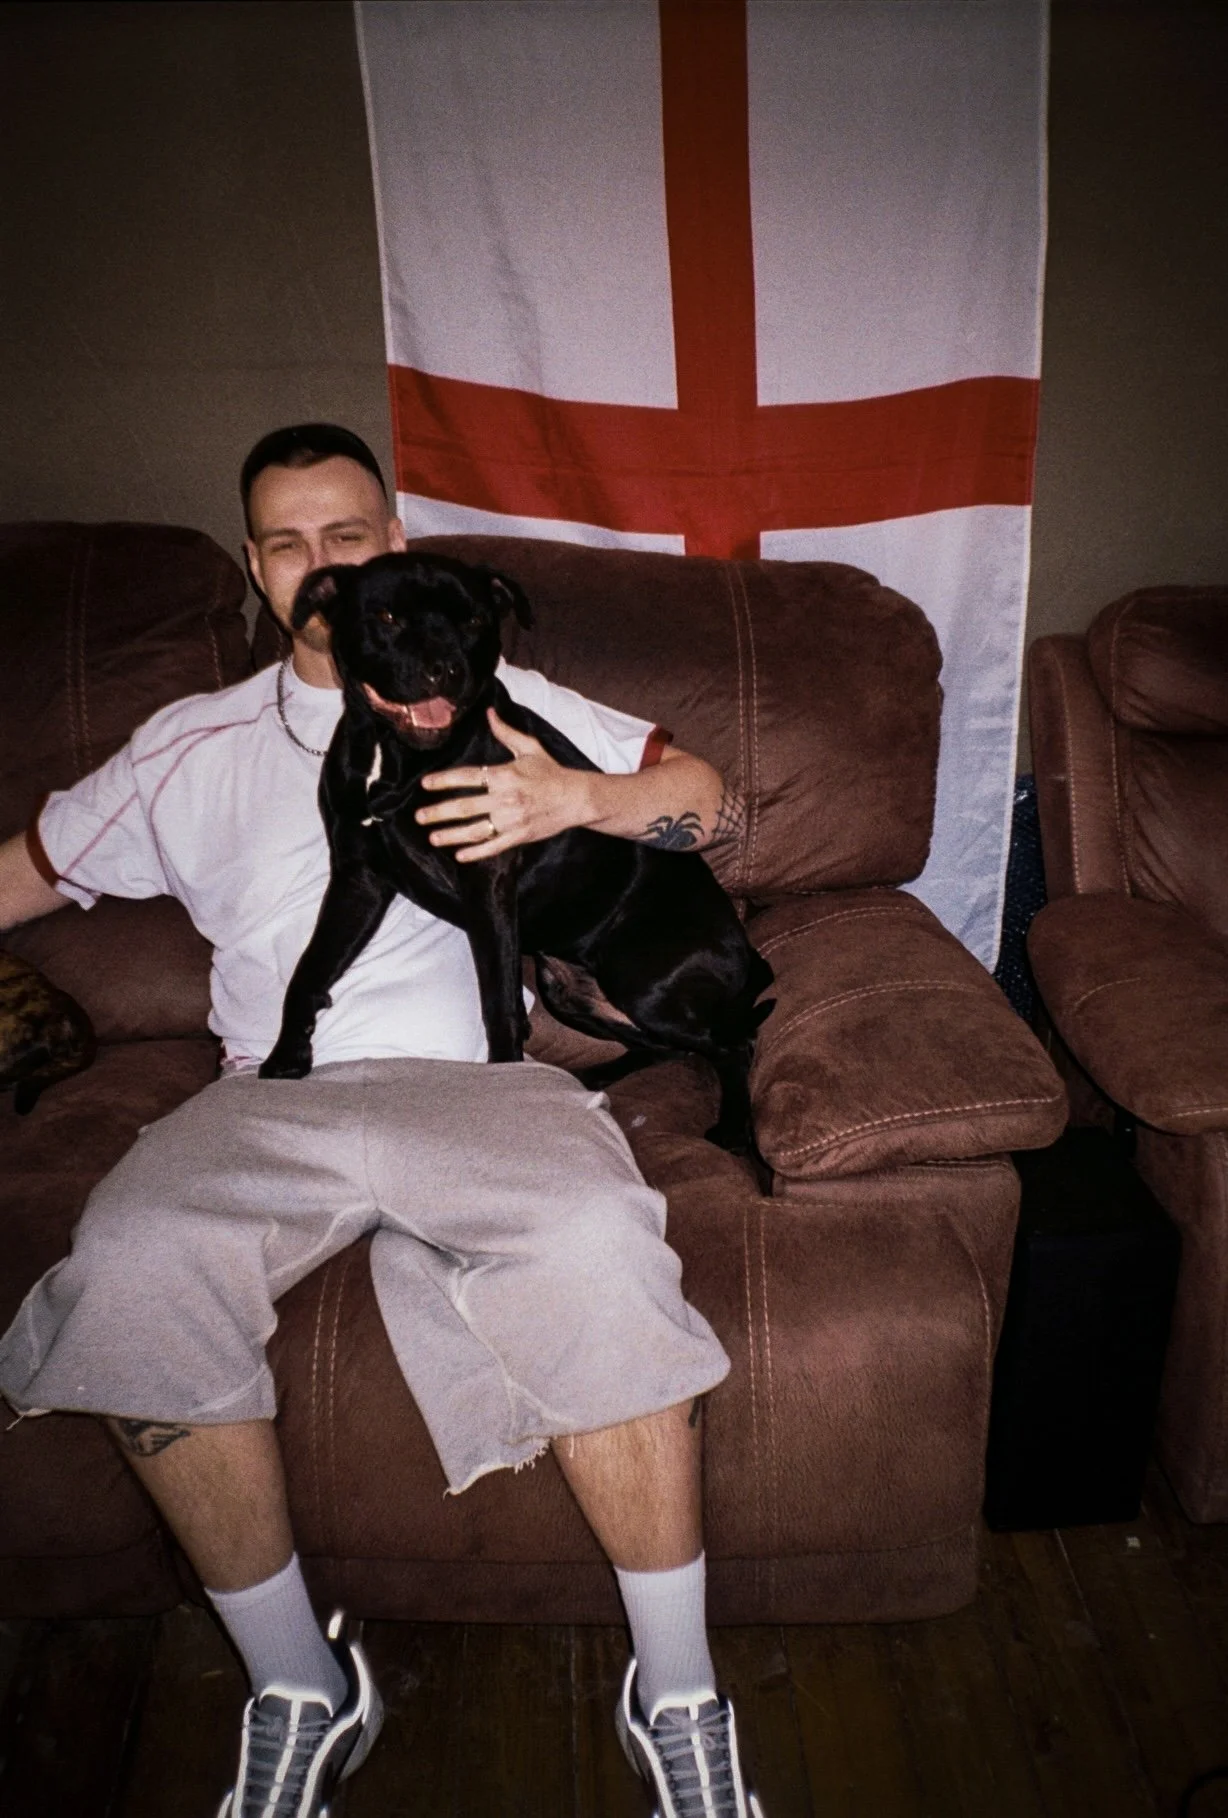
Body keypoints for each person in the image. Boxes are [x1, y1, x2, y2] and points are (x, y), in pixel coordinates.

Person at [0, 425, 765, 1818]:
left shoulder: (505, 691)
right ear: (259, 569)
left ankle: (677, 1695)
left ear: (394, 543)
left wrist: (575, 794)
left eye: (345, 533)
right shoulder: (190, 742)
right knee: (127, 1264)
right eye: (287, 543)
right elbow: (29, 871)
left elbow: (714, 803)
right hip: (267, 1095)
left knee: (602, 1243)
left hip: (483, 1084)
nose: (318, 565)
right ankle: (300, 1682)